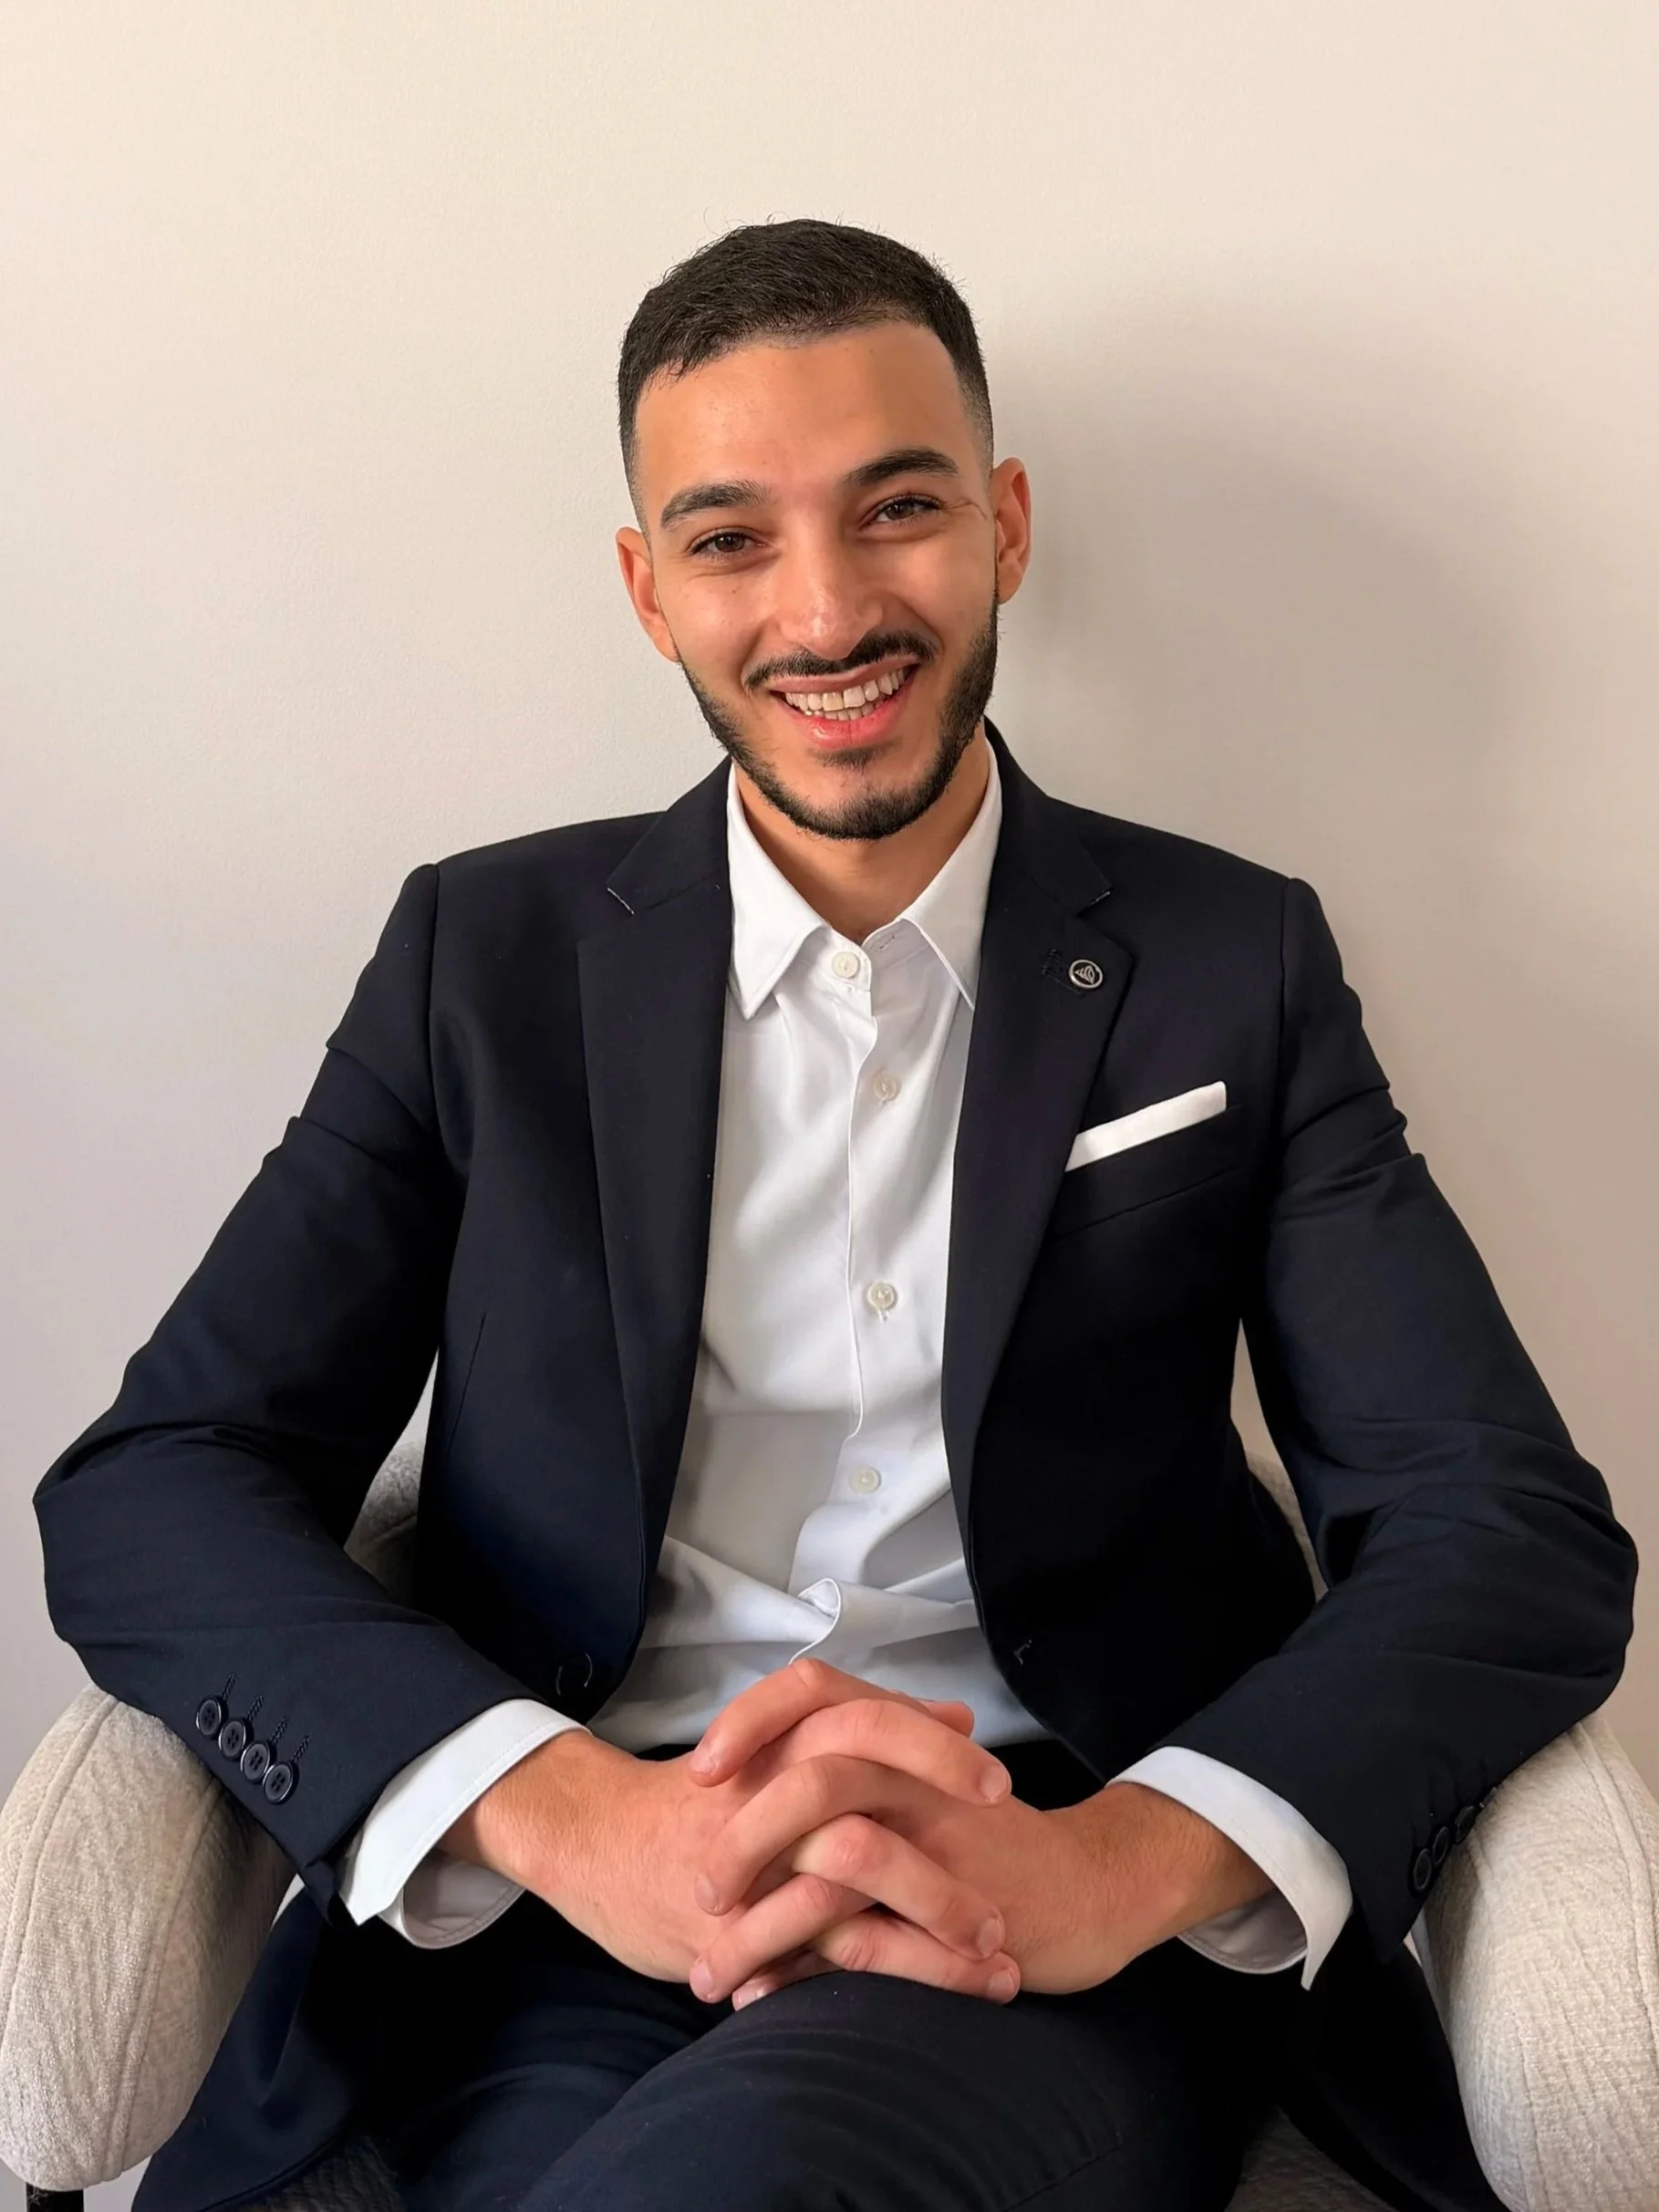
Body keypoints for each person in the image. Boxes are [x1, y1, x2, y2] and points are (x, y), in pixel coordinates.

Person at [34, 218, 1635, 2212]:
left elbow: (1505, 1529)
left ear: (1006, 526)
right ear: (644, 590)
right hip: (572, 1921)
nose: (826, 609)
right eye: (729, 540)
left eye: (897, 511)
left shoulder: (1238, 962)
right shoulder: (484, 959)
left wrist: (1117, 1865)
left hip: (1036, 1915)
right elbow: (157, 1480)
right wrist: (567, 1817)